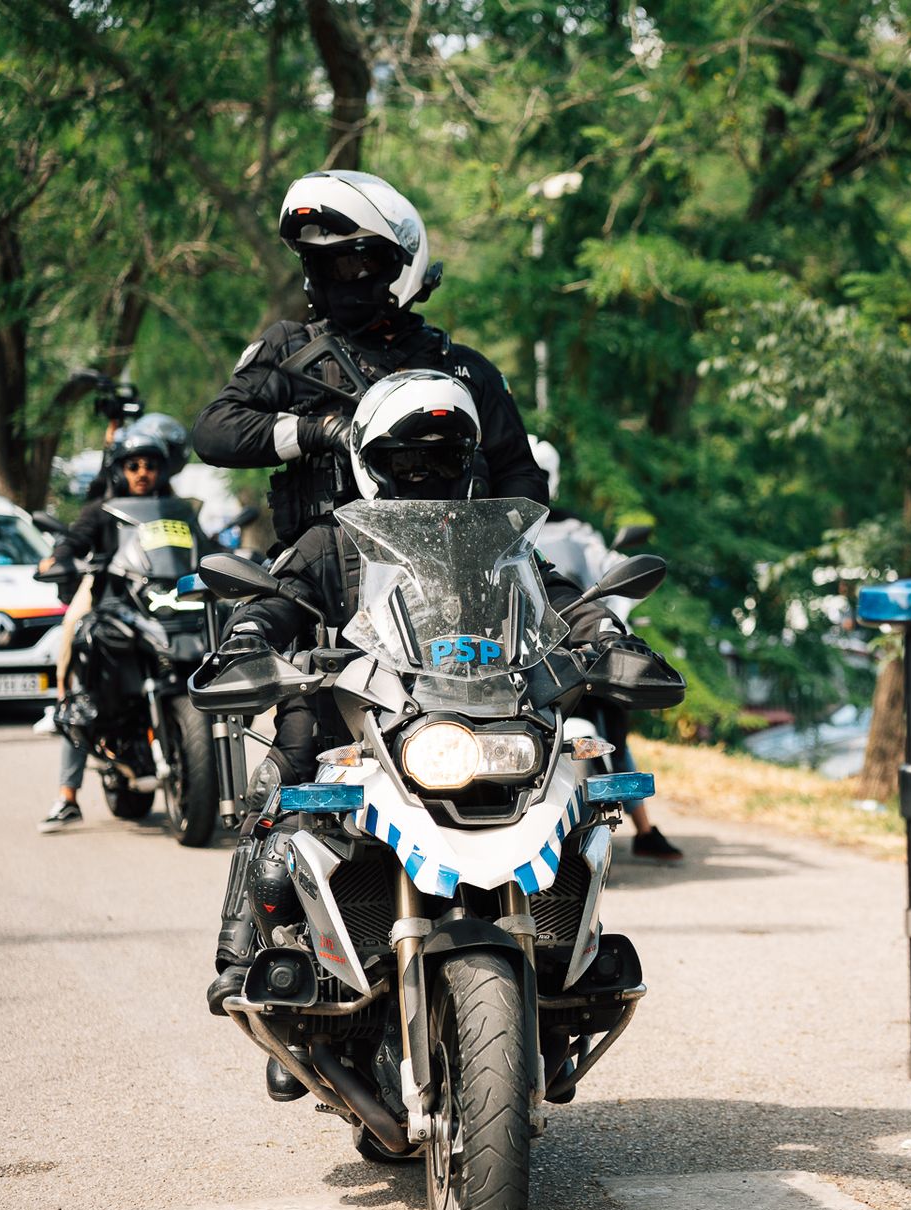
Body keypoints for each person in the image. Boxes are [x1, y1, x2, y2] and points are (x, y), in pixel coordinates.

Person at [206, 373, 629, 1015]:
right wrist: (247, 635)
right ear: (371, 463)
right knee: (287, 777)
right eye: (406, 459)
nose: (425, 472)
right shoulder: (331, 541)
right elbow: (275, 598)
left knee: (576, 790)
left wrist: (606, 631)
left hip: (476, 721)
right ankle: (244, 953)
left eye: (442, 457)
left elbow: (558, 598)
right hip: (357, 721)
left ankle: (569, 949)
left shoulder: (495, 546)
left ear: (468, 463)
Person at [192, 169, 546, 547]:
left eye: (352, 264)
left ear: (399, 259)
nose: (339, 279)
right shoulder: (291, 348)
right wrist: (319, 431)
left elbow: (520, 476)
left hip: (447, 578)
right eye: (322, 265)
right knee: (254, 608)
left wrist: (492, 545)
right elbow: (214, 432)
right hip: (321, 579)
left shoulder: (464, 370)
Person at [529, 435, 683, 861]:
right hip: (520, 656)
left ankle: (644, 828)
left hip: (574, 647)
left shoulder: (575, 530)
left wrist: (613, 630)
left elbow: (607, 576)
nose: (529, 482)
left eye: (535, 474)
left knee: (616, 721)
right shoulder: (491, 534)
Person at [35, 424, 176, 831]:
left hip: (163, 605)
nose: (143, 472)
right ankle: (67, 795)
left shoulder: (173, 510)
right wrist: (58, 557)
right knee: (78, 648)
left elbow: (200, 544)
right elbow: (74, 541)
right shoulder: (102, 510)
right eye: (134, 465)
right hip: (110, 601)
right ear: (120, 469)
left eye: (151, 465)